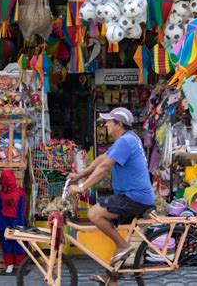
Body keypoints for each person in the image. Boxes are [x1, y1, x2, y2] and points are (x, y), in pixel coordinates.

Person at [68, 107, 155, 284]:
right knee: (119, 233)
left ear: (119, 124)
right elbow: (102, 159)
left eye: (109, 121)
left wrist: (82, 187)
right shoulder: (126, 139)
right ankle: (112, 279)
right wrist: (80, 175)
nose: (106, 124)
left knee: (95, 213)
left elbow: (104, 167)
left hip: (134, 196)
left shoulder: (126, 142)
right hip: (132, 196)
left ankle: (123, 246)